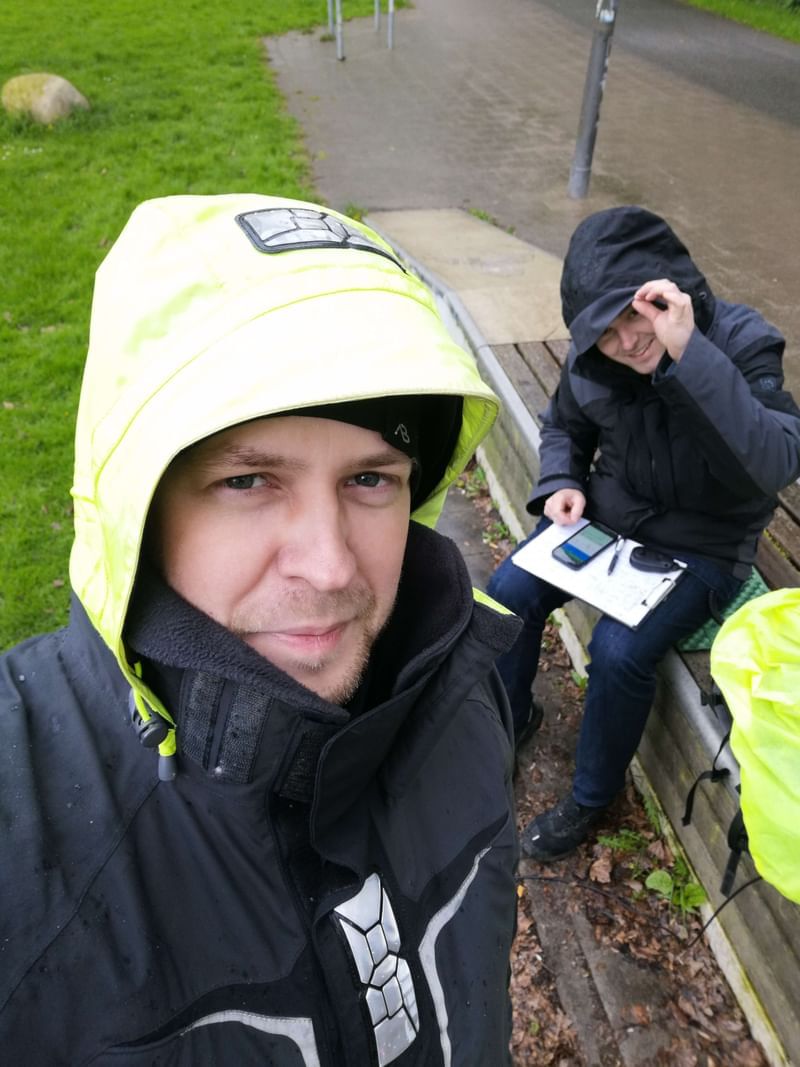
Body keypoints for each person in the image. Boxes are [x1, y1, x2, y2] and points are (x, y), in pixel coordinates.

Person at [0, 195, 523, 1065]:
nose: (330, 566)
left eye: (370, 479)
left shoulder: (462, 693)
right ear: (139, 506)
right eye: (248, 482)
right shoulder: (26, 829)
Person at [487, 205, 800, 862]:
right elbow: (563, 426)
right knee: (508, 588)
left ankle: (591, 797)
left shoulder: (742, 341)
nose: (628, 341)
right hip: (611, 516)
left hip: (707, 544)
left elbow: (775, 463)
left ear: (670, 293)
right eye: (606, 332)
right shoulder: (592, 361)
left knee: (620, 649)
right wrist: (562, 480)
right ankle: (512, 718)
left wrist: (690, 355)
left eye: (639, 314)